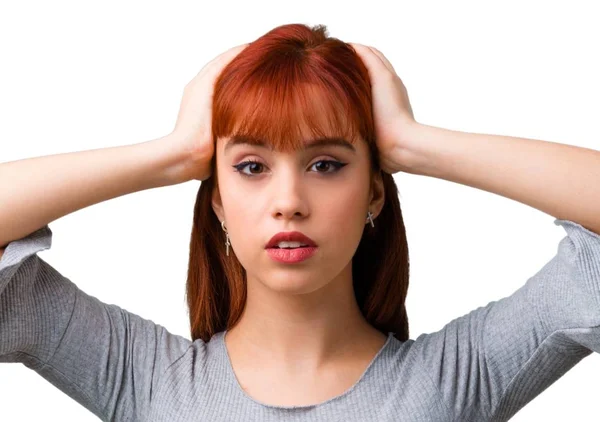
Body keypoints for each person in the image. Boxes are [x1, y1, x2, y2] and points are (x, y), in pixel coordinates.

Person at [1, 23, 599, 422]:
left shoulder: (454, 380)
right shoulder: (144, 380)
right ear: (216, 203)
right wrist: (174, 153)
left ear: (374, 196)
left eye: (326, 164)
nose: (288, 200)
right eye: (253, 165)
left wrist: (413, 144)